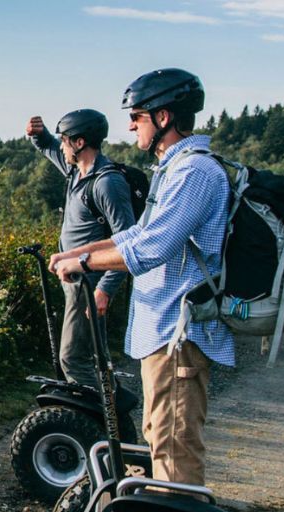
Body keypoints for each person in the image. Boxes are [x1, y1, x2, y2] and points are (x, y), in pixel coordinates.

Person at [49, 68, 231, 487]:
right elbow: (137, 234)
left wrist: (87, 266)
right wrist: (77, 252)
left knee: (174, 446)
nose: (130, 125)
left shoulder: (194, 173)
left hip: (179, 335)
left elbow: (153, 248)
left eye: (138, 116)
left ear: (163, 117)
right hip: (164, 334)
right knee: (160, 436)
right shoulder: (174, 170)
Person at [26, 109, 135, 387]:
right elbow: (51, 149)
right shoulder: (76, 172)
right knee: (92, 357)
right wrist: (39, 136)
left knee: (74, 359)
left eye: (65, 140)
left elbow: (129, 241)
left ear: (80, 142)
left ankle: (100, 422)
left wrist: (105, 289)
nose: (61, 146)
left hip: (90, 283)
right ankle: (111, 419)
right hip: (75, 280)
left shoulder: (107, 183)